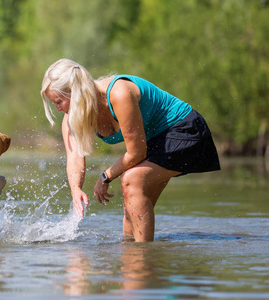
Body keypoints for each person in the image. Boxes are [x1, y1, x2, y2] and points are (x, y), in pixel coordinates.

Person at [40, 58, 220, 242]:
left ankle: (141, 257)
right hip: (154, 141)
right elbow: (74, 157)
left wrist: (105, 177)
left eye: (59, 101)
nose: (58, 108)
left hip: (184, 131)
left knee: (131, 180)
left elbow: (136, 154)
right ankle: (132, 260)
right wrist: (75, 189)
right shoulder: (71, 119)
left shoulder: (118, 94)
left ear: (76, 92)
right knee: (131, 212)